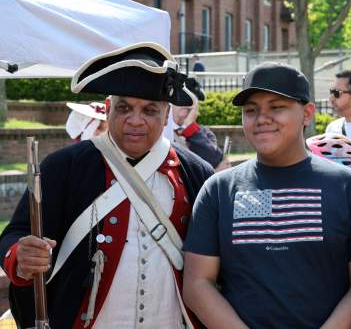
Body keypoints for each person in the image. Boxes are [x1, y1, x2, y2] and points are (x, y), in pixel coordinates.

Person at [0, 42, 214, 328]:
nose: (135, 120)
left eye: (149, 110)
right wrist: (23, 256)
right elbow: (16, 235)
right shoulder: (64, 167)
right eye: (124, 107)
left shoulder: (196, 172)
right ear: (109, 109)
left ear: (165, 116)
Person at [183, 62, 351, 328]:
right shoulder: (218, 190)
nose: (261, 119)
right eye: (251, 110)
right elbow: (197, 283)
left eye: (276, 107)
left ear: (307, 113)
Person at [163, 81, 230, 171]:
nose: (186, 105)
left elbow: (216, 160)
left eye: (193, 104)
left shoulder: (203, 132)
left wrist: (190, 127)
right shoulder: (162, 132)